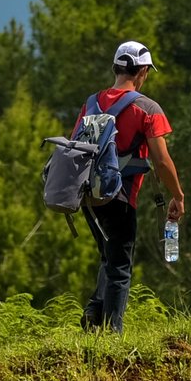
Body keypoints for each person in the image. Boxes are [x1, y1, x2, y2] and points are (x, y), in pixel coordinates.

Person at [78, 40, 184, 332]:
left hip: (88, 196)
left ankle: (94, 312)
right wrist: (178, 195)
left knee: (109, 257)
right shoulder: (147, 108)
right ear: (141, 71)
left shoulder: (91, 103)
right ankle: (114, 333)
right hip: (120, 197)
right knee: (121, 268)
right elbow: (162, 161)